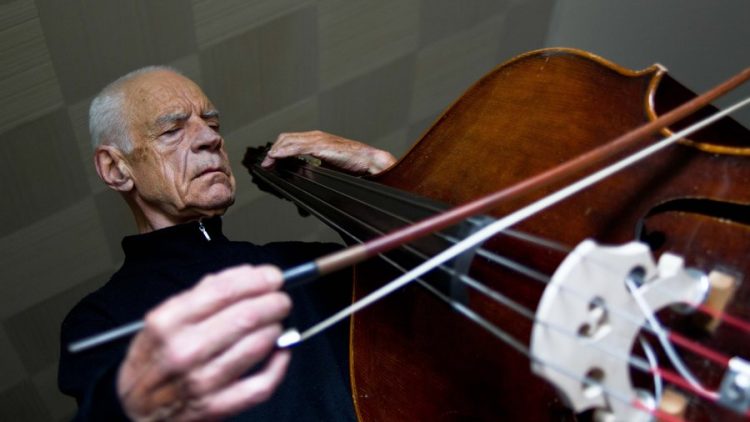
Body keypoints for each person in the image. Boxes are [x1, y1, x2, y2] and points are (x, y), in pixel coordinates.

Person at [58, 66, 396, 421]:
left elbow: (429, 291)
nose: (210, 138)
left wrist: (380, 173)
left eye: (213, 124)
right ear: (115, 169)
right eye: (172, 130)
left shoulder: (307, 265)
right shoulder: (101, 317)